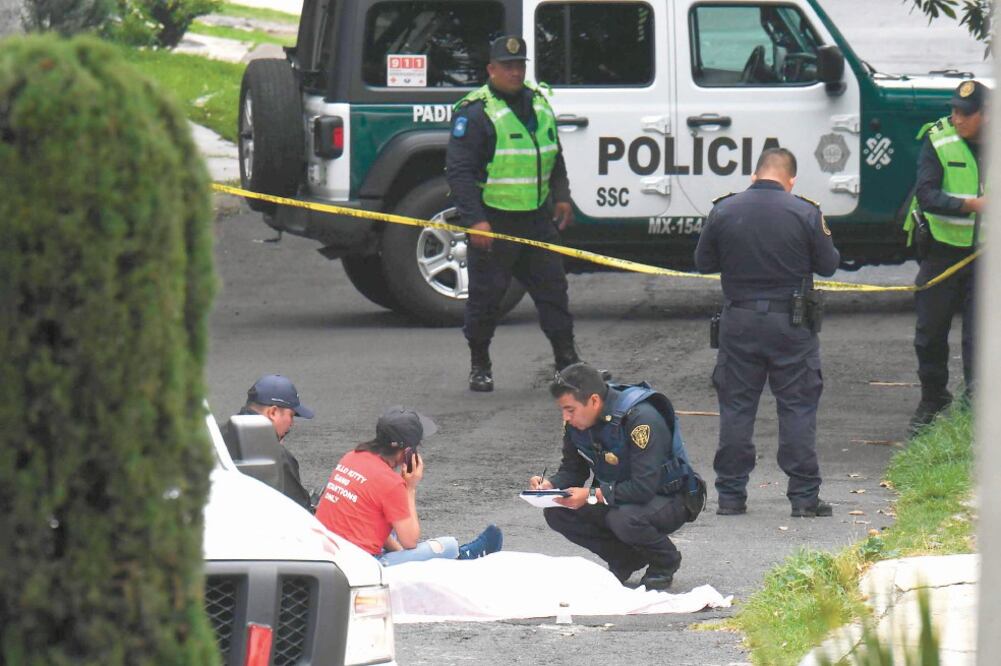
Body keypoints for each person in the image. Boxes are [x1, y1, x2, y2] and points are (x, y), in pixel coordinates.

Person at [694, 148, 840, 518]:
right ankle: (804, 498)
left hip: (739, 321)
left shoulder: (724, 209)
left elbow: (703, 263)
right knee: (797, 407)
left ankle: (730, 496)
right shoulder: (806, 211)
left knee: (737, 408)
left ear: (754, 174)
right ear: (790, 180)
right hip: (791, 324)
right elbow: (829, 265)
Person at [446, 35, 581, 392]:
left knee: (554, 293)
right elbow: (459, 172)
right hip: (496, 219)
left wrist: (562, 195)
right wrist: (475, 219)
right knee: (487, 299)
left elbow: (555, 155)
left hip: (537, 218)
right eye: (507, 66)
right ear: (491, 69)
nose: (515, 71)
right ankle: (480, 363)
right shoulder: (476, 112)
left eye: (520, 65)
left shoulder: (538, 103)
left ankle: (567, 363)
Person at [532, 363, 702, 590]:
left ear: (593, 401)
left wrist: (591, 494)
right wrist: (550, 485)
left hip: (669, 497)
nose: (566, 416)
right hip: (617, 495)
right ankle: (625, 558)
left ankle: (664, 561)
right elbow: (573, 470)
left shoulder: (640, 419)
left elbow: (643, 488)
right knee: (557, 511)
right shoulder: (576, 424)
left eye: (570, 410)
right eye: (562, 409)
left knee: (623, 518)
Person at [315, 407, 502, 565]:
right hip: (364, 566)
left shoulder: (351, 457)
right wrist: (409, 488)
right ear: (407, 452)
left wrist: (401, 554)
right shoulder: (390, 482)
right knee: (446, 545)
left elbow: (367, 521)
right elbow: (410, 541)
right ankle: (463, 556)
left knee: (392, 529)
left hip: (328, 554)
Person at [905, 80, 988, 430]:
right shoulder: (938, 138)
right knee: (929, 333)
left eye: (965, 114)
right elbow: (926, 194)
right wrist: (970, 206)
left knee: (980, 337)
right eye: (954, 110)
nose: (956, 118)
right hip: (942, 252)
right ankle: (934, 398)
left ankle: (977, 404)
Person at [238, 374, 315, 510]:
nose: (292, 423)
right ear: (273, 412)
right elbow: (301, 513)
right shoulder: (278, 457)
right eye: (291, 415)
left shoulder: (218, 437)